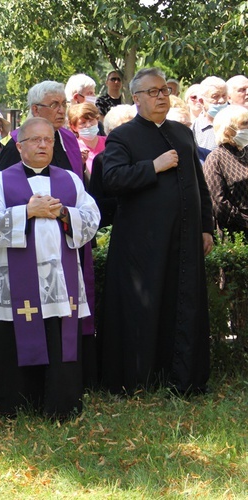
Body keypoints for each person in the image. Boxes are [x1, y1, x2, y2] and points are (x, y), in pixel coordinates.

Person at [100, 67, 213, 395]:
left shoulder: (183, 133)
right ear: (136, 98)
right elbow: (113, 180)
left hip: (186, 240)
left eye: (164, 90)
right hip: (143, 245)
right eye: (153, 92)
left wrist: (206, 228)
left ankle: (184, 378)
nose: (161, 96)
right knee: (145, 308)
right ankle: (141, 379)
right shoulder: (122, 136)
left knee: (184, 304)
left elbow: (199, 186)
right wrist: (153, 166)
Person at [0, 117, 99, 419]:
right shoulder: (1, 179)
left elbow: (92, 217)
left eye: (48, 139)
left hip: (61, 282)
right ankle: (11, 403)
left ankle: (60, 402)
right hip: (16, 284)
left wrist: (65, 214)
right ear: (19, 146)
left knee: (59, 336)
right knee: (15, 333)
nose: (43, 144)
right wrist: (27, 212)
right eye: (35, 139)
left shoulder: (69, 179)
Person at [87, 105, 137, 229]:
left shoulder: (148, 155)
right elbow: (97, 200)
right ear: (110, 131)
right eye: (124, 127)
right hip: (115, 224)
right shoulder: (101, 160)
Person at [203, 105, 248, 236]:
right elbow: (218, 202)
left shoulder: (246, 151)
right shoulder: (216, 158)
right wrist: (244, 221)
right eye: (245, 123)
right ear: (228, 129)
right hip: (235, 232)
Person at [192, 76, 229, 151]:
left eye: (224, 96)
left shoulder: (237, 122)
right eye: (215, 97)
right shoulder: (195, 128)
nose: (221, 100)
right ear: (201, 101)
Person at [68, 103, 106, 174]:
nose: (88, 125)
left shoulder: (108, 142)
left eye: (91, 120)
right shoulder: (73, 148)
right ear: (74, 127)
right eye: (83, 123)